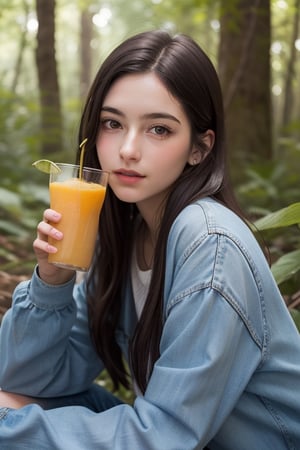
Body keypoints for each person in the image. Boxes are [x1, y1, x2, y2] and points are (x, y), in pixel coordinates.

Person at [0, 29, 299, 450]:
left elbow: (167, 436)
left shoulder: (210, 242)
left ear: (199, 147)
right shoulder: (123, 233)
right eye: (112, 123)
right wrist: (52, 282)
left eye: (159, 129)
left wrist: (10, 431)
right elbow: (27, 379)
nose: (127, 149)